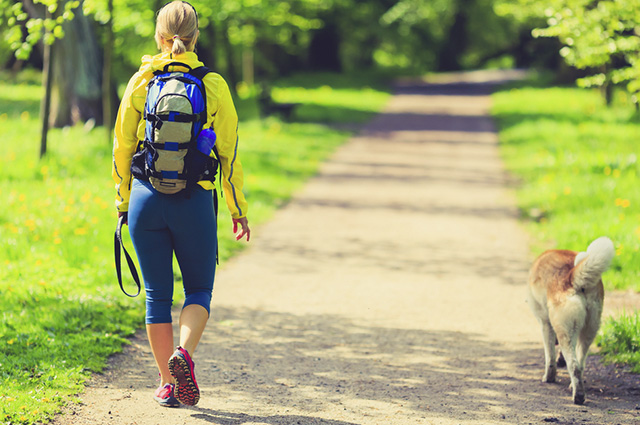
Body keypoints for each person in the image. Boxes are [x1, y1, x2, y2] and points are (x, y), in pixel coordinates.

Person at [111, 0, 250, 408]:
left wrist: (122, 200)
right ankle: (183, 356)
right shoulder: (214, 85)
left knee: (157, 295)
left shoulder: (141, 81)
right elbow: (230, 154)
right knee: (199, 290)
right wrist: (236, 208)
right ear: (195, 37)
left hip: (145, 201)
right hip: (194, 201)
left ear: (159, 35)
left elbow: (122, 147)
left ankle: (167, 383)